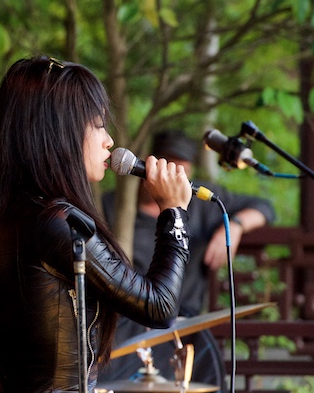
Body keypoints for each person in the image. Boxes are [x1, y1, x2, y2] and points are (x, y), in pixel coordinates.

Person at [0, 56, 193, 393]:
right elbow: (158, 305)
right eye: (96, 124)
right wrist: (174, 214)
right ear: (60, 132)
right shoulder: (56, 223)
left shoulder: (7, 215)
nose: (110, 140)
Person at [105, 129, 276, 319]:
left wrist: (234, 226)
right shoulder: (112, 206)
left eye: (182, 171)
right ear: (149, 164)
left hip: (185, 318)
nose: (175, 177)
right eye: (169, 167)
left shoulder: (201, 201)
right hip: (130, 317)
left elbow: (265, 208)